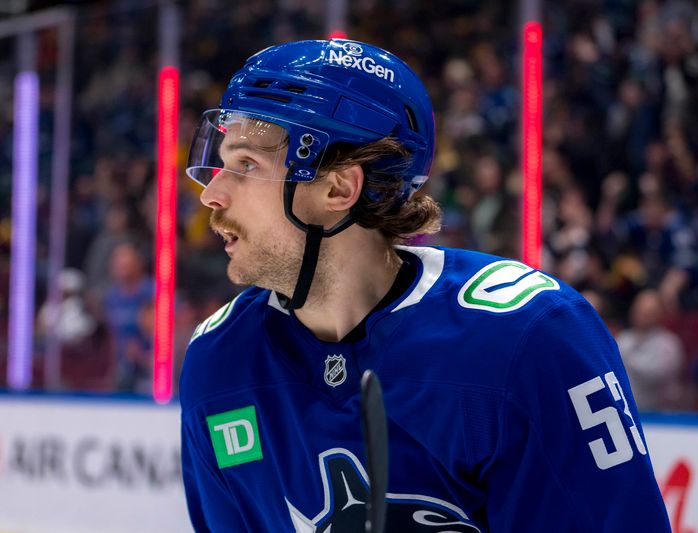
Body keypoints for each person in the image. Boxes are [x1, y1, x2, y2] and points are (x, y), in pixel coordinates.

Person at [179, 39, 670, 532]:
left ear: (338, 188)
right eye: (221, 163)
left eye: (246, 165)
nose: (212, 194)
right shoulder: (219, 361)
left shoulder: (529, 337)